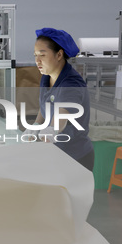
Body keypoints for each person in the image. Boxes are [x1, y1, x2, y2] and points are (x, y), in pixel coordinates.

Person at [33, 27, 94, 171]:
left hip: (75, 158)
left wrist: (51, 130)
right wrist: (36, 125)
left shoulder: (71, 84)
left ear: (59, 54)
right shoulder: (46, 77)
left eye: (42, 55)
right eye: (35, 55)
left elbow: (61, 114)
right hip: (55, 153)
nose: (37, 61)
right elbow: (45, 105)